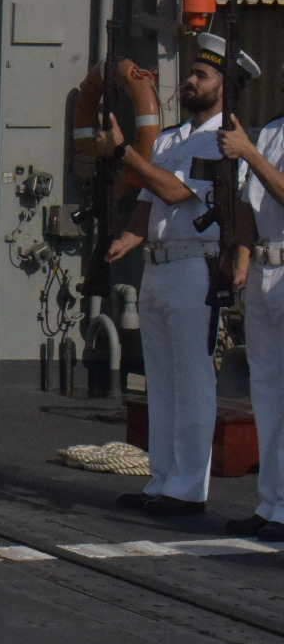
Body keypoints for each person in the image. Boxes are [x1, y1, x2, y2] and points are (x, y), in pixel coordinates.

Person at [99, 33, 260, 517]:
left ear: (226, 88)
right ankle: (162, 479)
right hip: (158, 264)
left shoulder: (222, 144)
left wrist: (125, 153)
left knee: (192, 381)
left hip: (196, 265)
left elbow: (173, 193)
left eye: (202, 75)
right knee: (160, 380)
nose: (189, 80)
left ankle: (188, 488)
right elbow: (149, 203)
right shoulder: (171, 138)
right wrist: (128, 237)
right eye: (191, 72)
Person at [215, 60, 284, 541]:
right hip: (263, 266)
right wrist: (240, 256)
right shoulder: (275, 132)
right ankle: (272, 503)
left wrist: (248, 152)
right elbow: (248, 200)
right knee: (267, 392)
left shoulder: (262, 143)